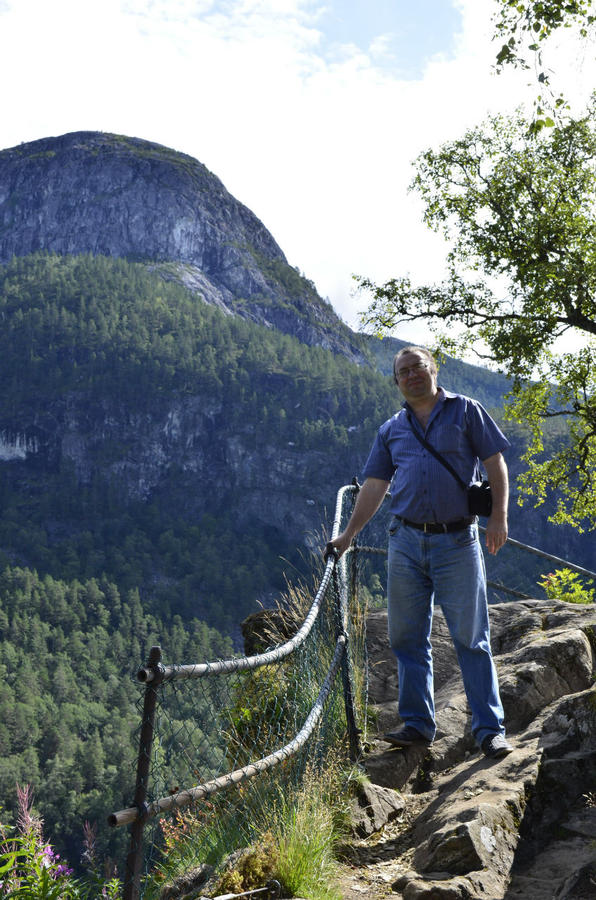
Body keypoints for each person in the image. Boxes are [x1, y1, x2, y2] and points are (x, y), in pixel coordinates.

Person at [327, 346, 513, 759]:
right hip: (405, 542)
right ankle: (417, 724)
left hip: (458, 542)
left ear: (433, 370)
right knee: (407, 637)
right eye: (403, 372)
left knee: (471, 638)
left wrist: (498, 517)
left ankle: (489, 730)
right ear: (396, 382)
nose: (412, 375)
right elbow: (375, 485)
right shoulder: (391, 429)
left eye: (418, 367)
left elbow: (495, 463)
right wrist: (349, 535)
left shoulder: (466, 411)